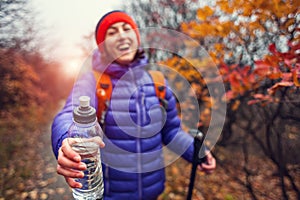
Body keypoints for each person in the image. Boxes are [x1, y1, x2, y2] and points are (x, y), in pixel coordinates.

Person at [51, 10, 216, 200]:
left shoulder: (157, 81)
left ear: (136, 38)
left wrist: (197, 152)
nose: (121, 35)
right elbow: (68, 114)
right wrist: (65, 141)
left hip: (152, 192)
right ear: (103, 47)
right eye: (112, 33)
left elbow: (171, 130)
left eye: (126, 29)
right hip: (111, 195)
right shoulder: (92, 81)